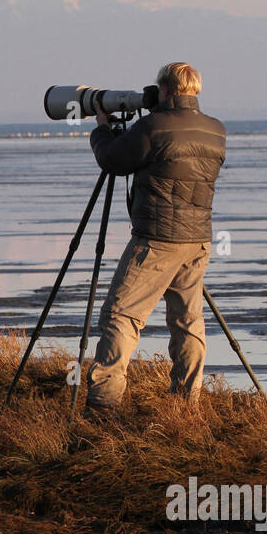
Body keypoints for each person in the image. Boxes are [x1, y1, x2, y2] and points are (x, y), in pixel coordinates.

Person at [85, 62, 226, 412]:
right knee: (187, 321)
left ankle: (103, 408)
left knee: (121, 316)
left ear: (164, 90)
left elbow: (113, 160)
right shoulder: (215, 130)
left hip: (157, 240)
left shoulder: (154, 127)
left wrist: (103, 129)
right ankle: (186, 405)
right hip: (197, 241)